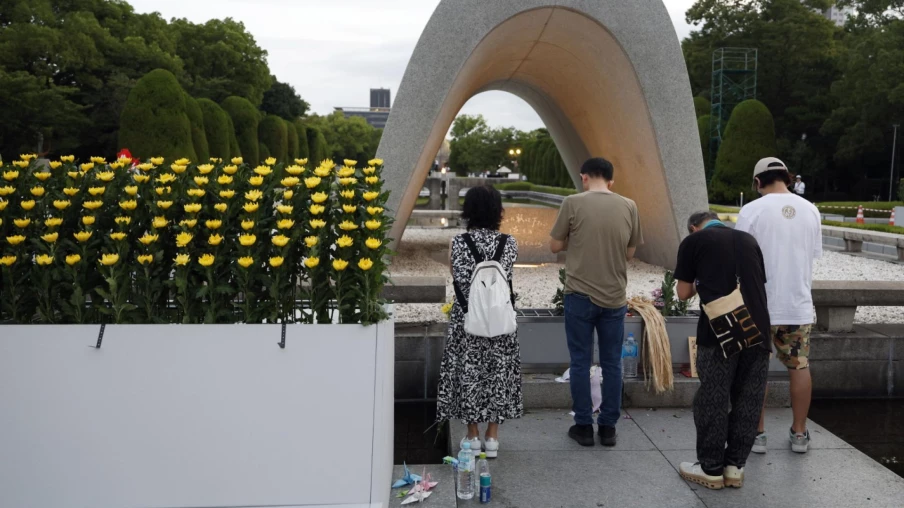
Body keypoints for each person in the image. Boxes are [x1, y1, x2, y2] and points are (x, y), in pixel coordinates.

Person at [548, 157, 643, 447]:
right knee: (612, 363)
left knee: (580, 362)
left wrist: (575, 241)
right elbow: (630, 253)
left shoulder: (573, 202)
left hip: (579, 295)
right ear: (611, 181)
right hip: (615, 297)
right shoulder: (629, 205)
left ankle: (583, 427)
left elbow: (554, 246)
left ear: (584, 177)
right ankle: (608, 428)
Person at [674, 211, 772, 490]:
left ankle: (711, 468)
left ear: (694, 227)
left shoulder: (695, 241)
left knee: (713, 398)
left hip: (720, 330)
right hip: (758, 328)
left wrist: (700, 280)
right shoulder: (748, 240)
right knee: (748, 398)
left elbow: (683, 293)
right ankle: (734, 467)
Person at [736, 157, 822, 454]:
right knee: (799, 367)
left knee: (754, 369)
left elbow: (741, 258)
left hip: (758, 305)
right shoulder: (811, 209)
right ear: (787, 178)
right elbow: (813, 254)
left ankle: (757, 434)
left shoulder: (751, 210)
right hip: (797, 304)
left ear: (758, 182)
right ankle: (799, 434)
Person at [436, 185, 523, 458]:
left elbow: (458, 278)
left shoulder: (458, 243)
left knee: (469, 375)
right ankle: (493, 437)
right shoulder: (509, 243)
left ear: (468, 211)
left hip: (467, 319)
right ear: (499, 211)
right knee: (498, 374)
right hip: (499, 319)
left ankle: (472, 437)